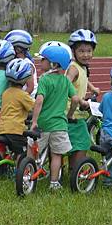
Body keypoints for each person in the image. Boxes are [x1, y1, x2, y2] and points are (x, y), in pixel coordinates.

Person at [30, 42, 80, 190]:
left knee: (31, 149)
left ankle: (28, 172)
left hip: (43, 123)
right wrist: (70, 115)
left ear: (53, 64)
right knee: (57, 155)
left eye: (43, 59)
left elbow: (39, 101)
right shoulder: (65, 81)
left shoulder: (45, 80)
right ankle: (53, 182)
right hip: (59, 125)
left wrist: (34, 121)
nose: (41, 61)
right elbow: (76, 99)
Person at [66, 29, 100, 169]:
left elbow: (84, 79)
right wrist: (80, 101)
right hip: (70, 111)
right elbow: (66, 83)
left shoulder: (83, 67)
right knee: (84, 141)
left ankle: (73, 167)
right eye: (81, 51)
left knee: (73, 142)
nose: (86, 55)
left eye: (89, 51)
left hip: (75, 111)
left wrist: (92, 88)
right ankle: (77, 169)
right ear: (73, 51)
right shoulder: (73, 68)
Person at [0, 58, 35, 158]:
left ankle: (1, 167)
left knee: (5, 149)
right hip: (16, 130)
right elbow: (34, 107)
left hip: (2, 128)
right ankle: (20, 171)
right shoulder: (22, 95)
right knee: (22, 151)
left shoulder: (5, 93)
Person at [4, 29, 37, 96]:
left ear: (17, 49)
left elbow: (30, 88)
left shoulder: (27, 65)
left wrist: (17, 99)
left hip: (26, 99)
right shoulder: (14, 62)